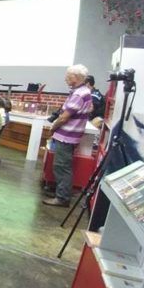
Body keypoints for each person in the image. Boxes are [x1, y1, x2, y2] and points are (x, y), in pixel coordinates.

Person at [44, 64, 93, 207]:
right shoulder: (83, 91)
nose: (65, 79)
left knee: (62, 166)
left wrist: (53, 128)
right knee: (62, 165)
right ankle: (61, 192)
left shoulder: (78, 94)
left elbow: (64, 117)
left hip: (67, 136)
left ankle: (62, 197)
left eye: (68, 76)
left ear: (75, 77)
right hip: (70, 135)